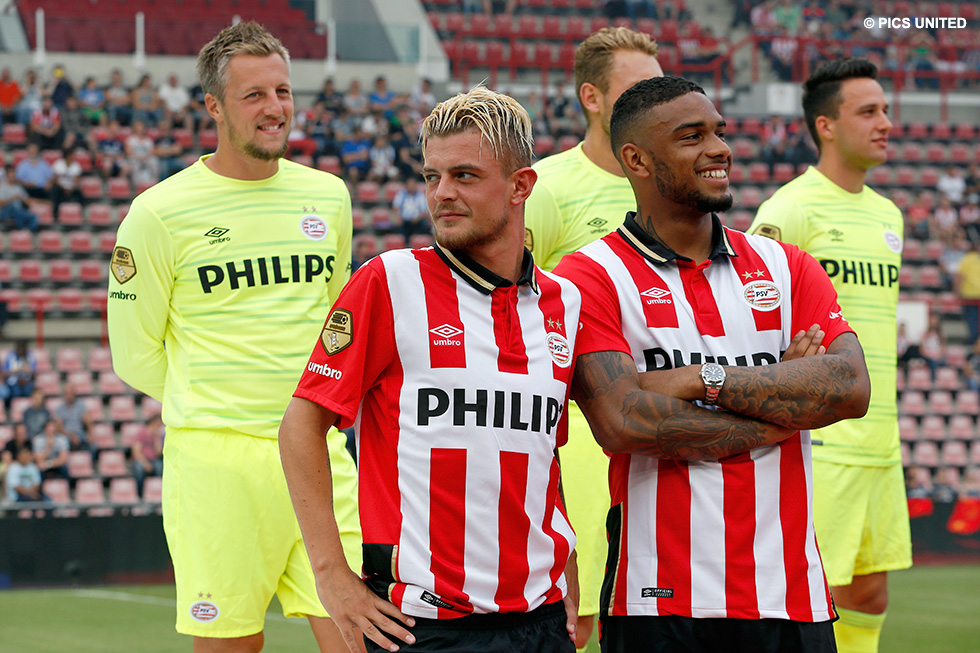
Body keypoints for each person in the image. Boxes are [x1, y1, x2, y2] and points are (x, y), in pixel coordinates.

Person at [553, 75, 871, 652]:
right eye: (691, 136)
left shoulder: (786, 266)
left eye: (719, 132)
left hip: (791, 596)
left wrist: (702, 378)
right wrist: (784, 405)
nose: (719, 148)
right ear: (637, 159)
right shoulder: (590, 276)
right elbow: (624, 421)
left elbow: (848, 387)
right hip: (660, 602)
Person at [279, 86, 582, 653]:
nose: (442, 193)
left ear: (521, 186)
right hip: (422, 628)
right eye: (431, 176)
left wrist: (566, 559)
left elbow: (541, 450)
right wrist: (331, 576)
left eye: (465, 175)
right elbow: (301, 424)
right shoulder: (389, 282)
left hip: (543, 624)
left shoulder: (563, 303)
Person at [107, 22, 361, 652]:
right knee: (231, 646)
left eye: (282, 91)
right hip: (217, 463)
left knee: (367, 635)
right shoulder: (159, 212)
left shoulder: (327, 196)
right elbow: (135, 353)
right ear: (214, 107)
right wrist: (219, 400)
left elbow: (335, 324)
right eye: (254, 96)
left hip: (318, 453)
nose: (275, 108)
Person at [748, 58, 910, 653]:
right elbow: (754, 310)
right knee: (809, 598)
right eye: (868, 112)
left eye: (886, 110)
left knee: (870, 594)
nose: (885, 123)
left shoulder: (890, 216)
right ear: (826, 126)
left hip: (882, 439)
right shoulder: (792, 209)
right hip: (827, 438)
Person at [522, 26, 663, 647]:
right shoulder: (548, 187)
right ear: (592, 97)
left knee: (650, 609)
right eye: (637, 89)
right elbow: (513, 310)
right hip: (579, 428)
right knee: (577, 620)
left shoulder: (670, 189)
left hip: (660, 424)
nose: (652, 100)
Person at [130, 413, 165, 495]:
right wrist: (145, 464)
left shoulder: (158, 436)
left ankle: (159, 492)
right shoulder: (141, 433)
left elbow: (158, 453)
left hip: (153, 460)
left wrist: (157, 438)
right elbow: (136, 452)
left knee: (160, 467)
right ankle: (139, 494)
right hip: (141, 460)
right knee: (139, 470)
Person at [55, 382, 92, 452]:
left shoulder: (80, 405)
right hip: (66, 434)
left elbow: (88, 420)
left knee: (92, 445)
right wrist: (71, 436)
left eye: (71, 393)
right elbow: (59, 428)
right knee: (62, 444)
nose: (69, 395)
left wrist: (91, 434)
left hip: (79, 433)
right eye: (67, 393)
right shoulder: (60, 408)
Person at [2, 340, 37, 408]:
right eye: (19, 350)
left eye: (22, 350)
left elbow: (34, 373)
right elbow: (5, 373)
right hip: (14, 382)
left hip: (27, 382)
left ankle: (28, 408)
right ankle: (14, 408)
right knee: (16, 392)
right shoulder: (10, 356)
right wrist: (17, 370)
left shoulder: (31, 357)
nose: (21, 352)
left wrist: (27, 370)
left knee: (29, 390)